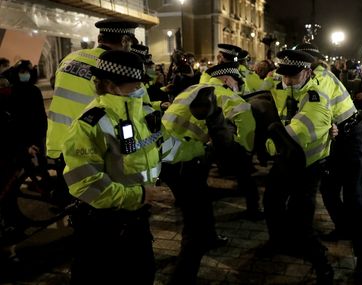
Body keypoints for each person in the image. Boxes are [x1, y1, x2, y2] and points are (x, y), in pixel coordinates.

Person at [62, 50, 171, 285]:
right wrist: (140, 194)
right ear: (110, 85)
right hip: (102, 228)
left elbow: (162, 148)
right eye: (134, 86)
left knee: (143, 275)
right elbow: (86, 184)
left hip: (137, 218)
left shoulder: (144, 113)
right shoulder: (89, 124)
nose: (140, 90)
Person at [160, 60, 258, 284]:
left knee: (201, 201)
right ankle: (183, 277)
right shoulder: (226, 95)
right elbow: (247, 126)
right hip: (186, 160)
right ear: (226, 80)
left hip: (167, 155)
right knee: (194, 222)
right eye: (236, 81)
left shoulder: (192, 88)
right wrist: (243, 152)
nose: (238, 86)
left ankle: (211, 237)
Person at [294, 42, 362, 283]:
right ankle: (343, 228)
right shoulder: (308, 79)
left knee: (355, 200)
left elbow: (319, 110)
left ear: (309, 63)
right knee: (329, 190)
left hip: (349, 139)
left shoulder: (321, 78)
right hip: (337, 138)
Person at [264, 49, 334, 284]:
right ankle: (278, 242)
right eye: (284, 74)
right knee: (272, 202)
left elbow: (295, 135)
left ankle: (321, 261)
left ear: (306, 71)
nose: (286, 80)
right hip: (287, 161)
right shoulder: (288, 87)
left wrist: (268, 145)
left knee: (301, 218)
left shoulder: (316, 98)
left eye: (292, 75)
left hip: (306, 165)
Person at [46, 18, 139, 165]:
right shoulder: (114, 67)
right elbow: (125, 108)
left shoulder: (70, 58)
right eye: (131, 43)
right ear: (124, 40)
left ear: (99, 38)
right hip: (87, 146)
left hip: (57, 142)